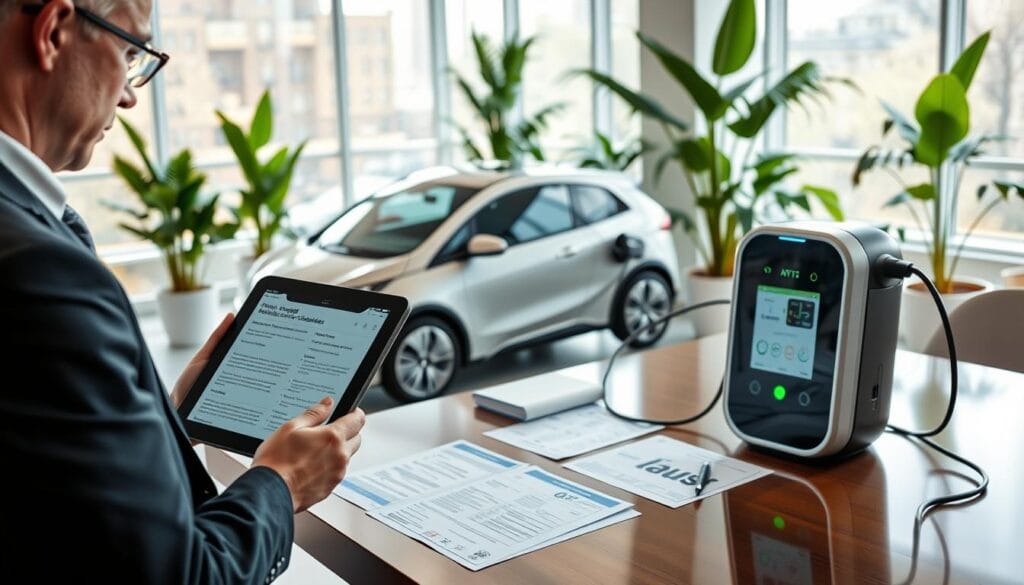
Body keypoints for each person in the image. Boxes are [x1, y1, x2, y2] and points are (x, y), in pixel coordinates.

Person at [0, 1, 366, 582]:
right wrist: (281, 482)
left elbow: (40, 484)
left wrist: (160, 420)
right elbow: (181, 574)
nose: (129, 96)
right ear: (52, 32)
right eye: (128, 53)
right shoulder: (40, 268)